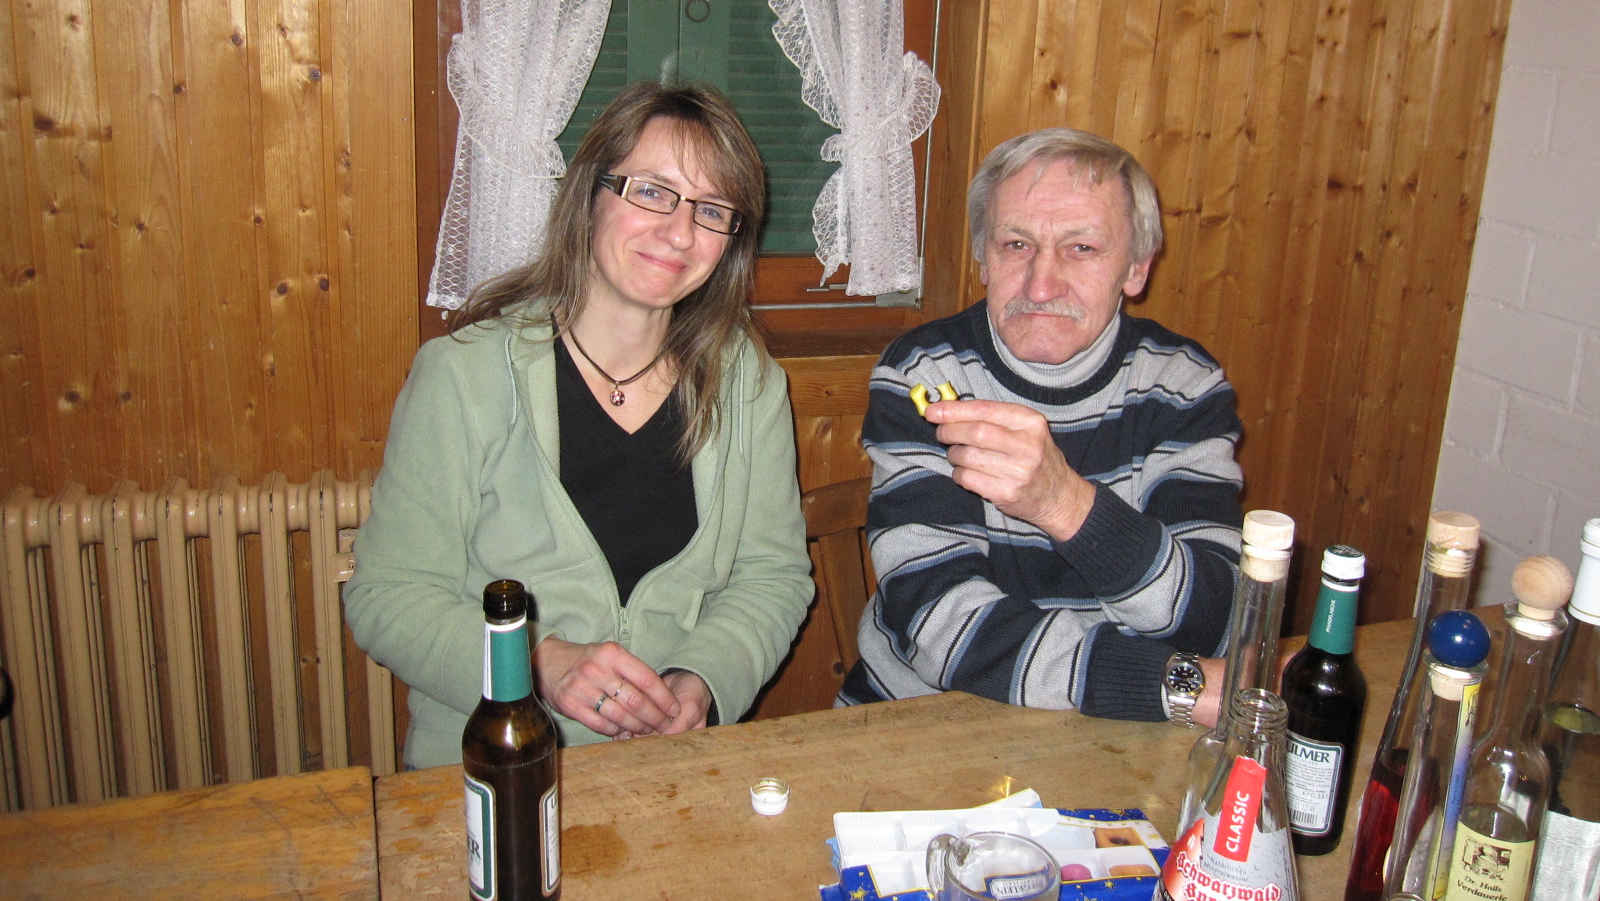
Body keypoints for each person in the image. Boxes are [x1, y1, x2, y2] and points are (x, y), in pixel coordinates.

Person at [346, 81, 814, 766]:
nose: (680, 232)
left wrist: (703, 682)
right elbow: (387, 597)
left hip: (669, 769)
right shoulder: (465, 376)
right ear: (590, 195)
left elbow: (773, 576)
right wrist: (536, 662)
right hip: (492, 768)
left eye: (712, 210)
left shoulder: (749, 384)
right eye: (651, 191)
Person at [837, 128, 1242, 726]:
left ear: (1135, 268)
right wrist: (1162, 685)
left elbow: (1212, 619)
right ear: (983, 259)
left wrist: (1064, 504)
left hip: (1120, 728)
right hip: (925, 724)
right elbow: (937, 620)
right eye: (1016, 244)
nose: (1041, 285)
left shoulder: (1183, 384)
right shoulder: (925, 372)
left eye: (1081, 248)